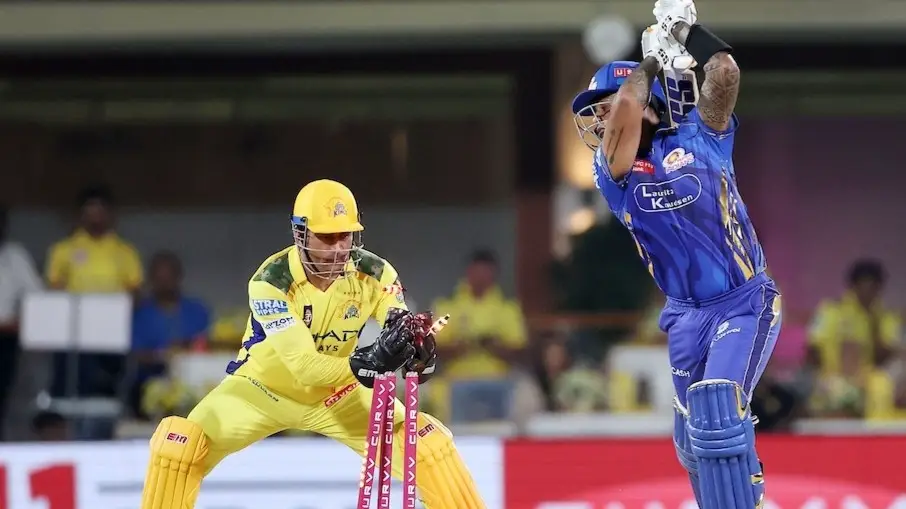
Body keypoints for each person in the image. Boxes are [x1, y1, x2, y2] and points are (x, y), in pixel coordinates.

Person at [139, 179, 484, 509]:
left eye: (345, 236)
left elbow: (397, 319)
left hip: (340, 394)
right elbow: (303, 367)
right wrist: (368, 362)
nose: (339, 249)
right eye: (327, 237)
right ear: (300, 233)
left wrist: (416, 350)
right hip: (261, 390)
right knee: (178, 447)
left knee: (428, 444)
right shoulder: (271, 281)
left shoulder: (376, 273)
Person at [571, 1, 778, 508]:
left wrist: (685, 30)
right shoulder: (613, 173)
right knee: (692, 442)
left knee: (718, 409)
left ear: (651, 102)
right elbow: (626, 111)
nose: (601, 120)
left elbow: (724, 72)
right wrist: (651, 62)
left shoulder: (704, 135)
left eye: (604, 106)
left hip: (742, 302)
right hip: (684, 316)